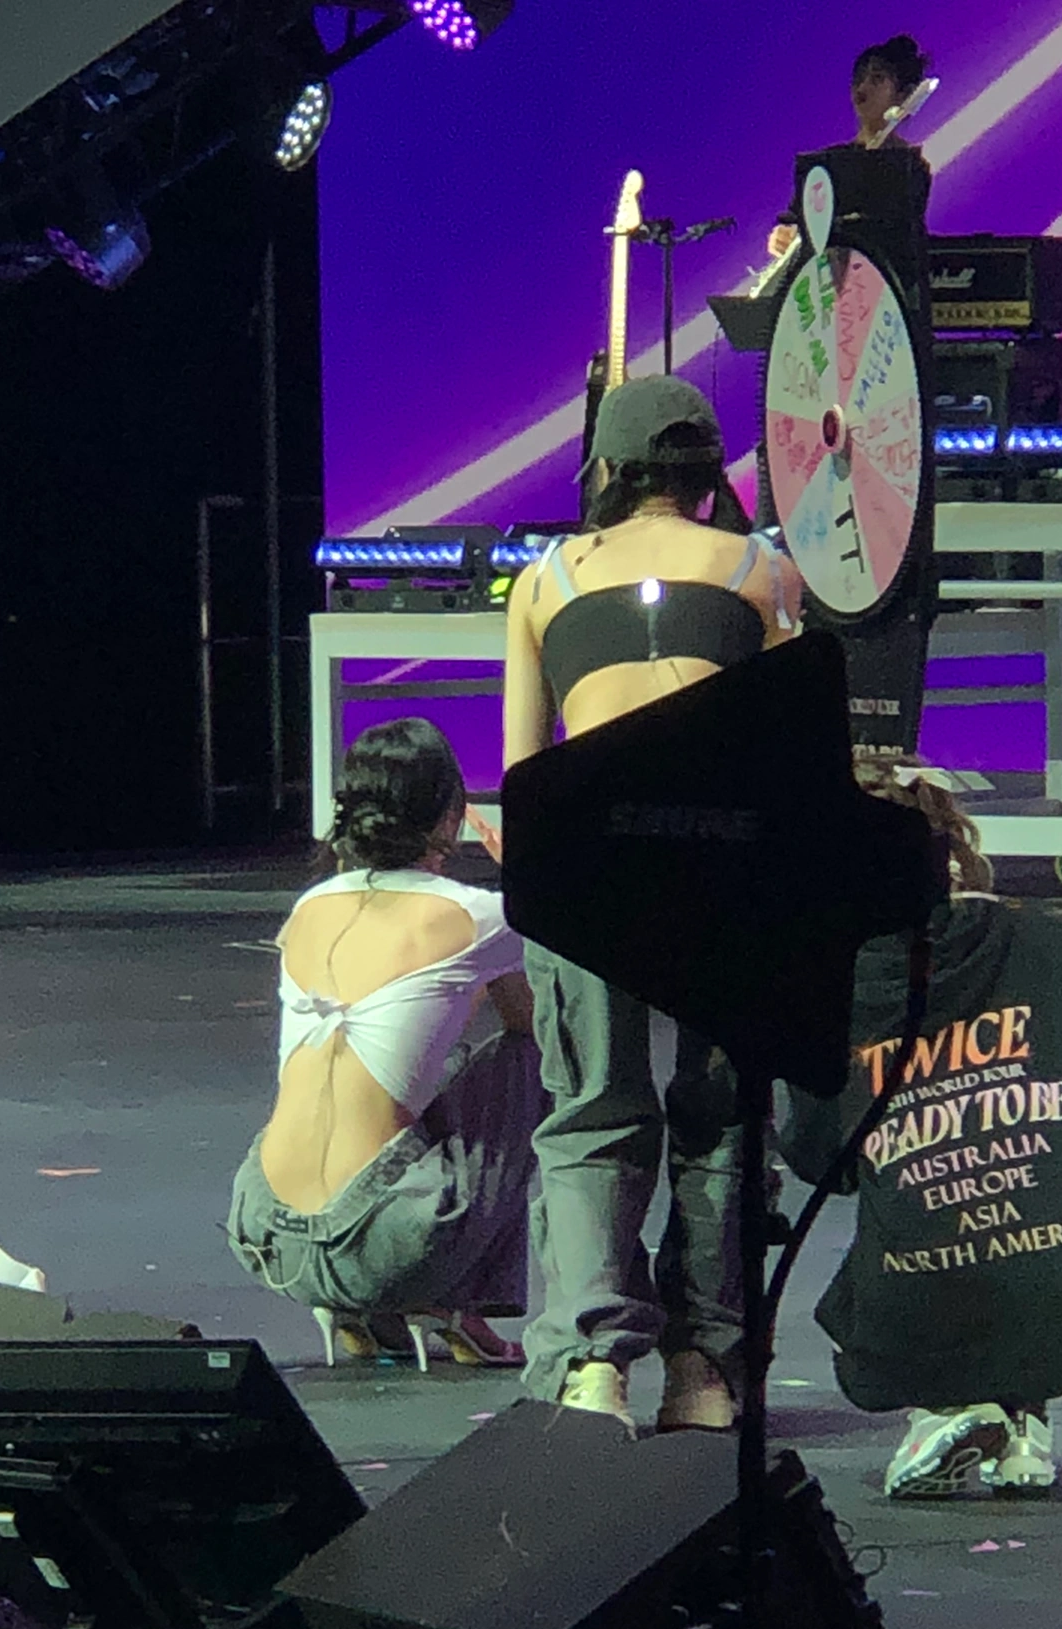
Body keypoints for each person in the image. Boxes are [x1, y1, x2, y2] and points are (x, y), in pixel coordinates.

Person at [503, 373, 804, 1431]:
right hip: (720, 862)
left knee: (592, 1111)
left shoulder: (543, 581)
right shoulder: (763, 571)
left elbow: (524, 765)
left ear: (607, 468)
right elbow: (790, 752)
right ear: (706, 470)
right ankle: (705, 1370)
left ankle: (594, 1364)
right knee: (722, 1117)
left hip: (587, 857)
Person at [779, 763, 1062, 1497]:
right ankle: (1024, 1425)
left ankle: (949, 1409)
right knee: (1034, 1215)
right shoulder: (1040, 939)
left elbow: (817, 1156)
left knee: (887, 1279)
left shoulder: (829, 982)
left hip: (920, 1305)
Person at [226, 717, 544, 1369]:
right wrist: (527, 882)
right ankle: (461, 1303)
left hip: (265, 1232)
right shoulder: (477, 915)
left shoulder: (311, 905)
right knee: (536, 1059)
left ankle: (357, 1311)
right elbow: (537, 1023)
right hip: (384, 1240)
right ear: (451, 816)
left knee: (402, 1070)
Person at [767, 34, 932, 261]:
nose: (862, 87)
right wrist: (784, 235)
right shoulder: (826, 162)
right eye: (858, 79)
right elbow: (794, 221)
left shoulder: (911, 167)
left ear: (903, 94)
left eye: (877, 79)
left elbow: (902, 243)